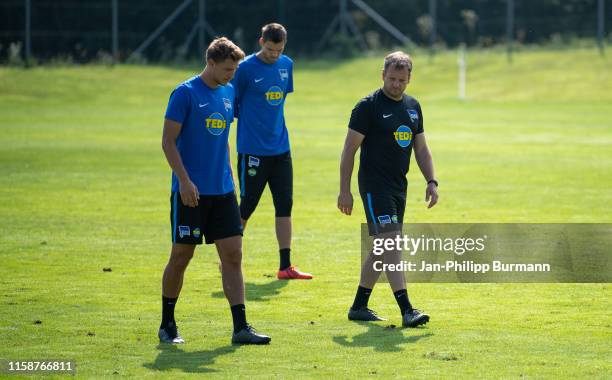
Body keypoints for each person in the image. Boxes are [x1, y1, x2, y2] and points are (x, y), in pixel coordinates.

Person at [160, 37, 270, 345]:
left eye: (234, 69)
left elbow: (221, 139)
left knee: (233, 254)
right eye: (226, 69)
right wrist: (183, 181)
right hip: (190, 191)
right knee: (182, 255)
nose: (231, 74)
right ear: (210, 63)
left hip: (222, 190)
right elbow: (168, 142)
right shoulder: (184, 94)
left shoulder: (228, 91)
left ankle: (241, 328)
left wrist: (231, 178)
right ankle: (168, 323)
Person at [337, 51, 439, 328]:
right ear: (383, 75)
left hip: (398, 187)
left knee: (383, 248)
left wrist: (431, 181)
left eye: (401, 80)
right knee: (392, 245)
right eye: (391, 79)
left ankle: (359, 306)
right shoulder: (367, 106)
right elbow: (349, 150)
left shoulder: (413, 107)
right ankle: (407, 309)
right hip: (374, 187)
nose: (396, 85)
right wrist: (344, 190)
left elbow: (421, 148)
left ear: (409, 79)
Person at [231, 23, 312, 280]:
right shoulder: (243, 69)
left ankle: (285, 266)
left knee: (284, 205)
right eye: (269, 49)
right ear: (260, 42)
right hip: (252, 151)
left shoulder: (287, 65)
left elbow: (277, 103)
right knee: (247, 206)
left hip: (281, 149)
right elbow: (232, 105)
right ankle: (228, 260)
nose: (274, 55)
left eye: (279, 50)